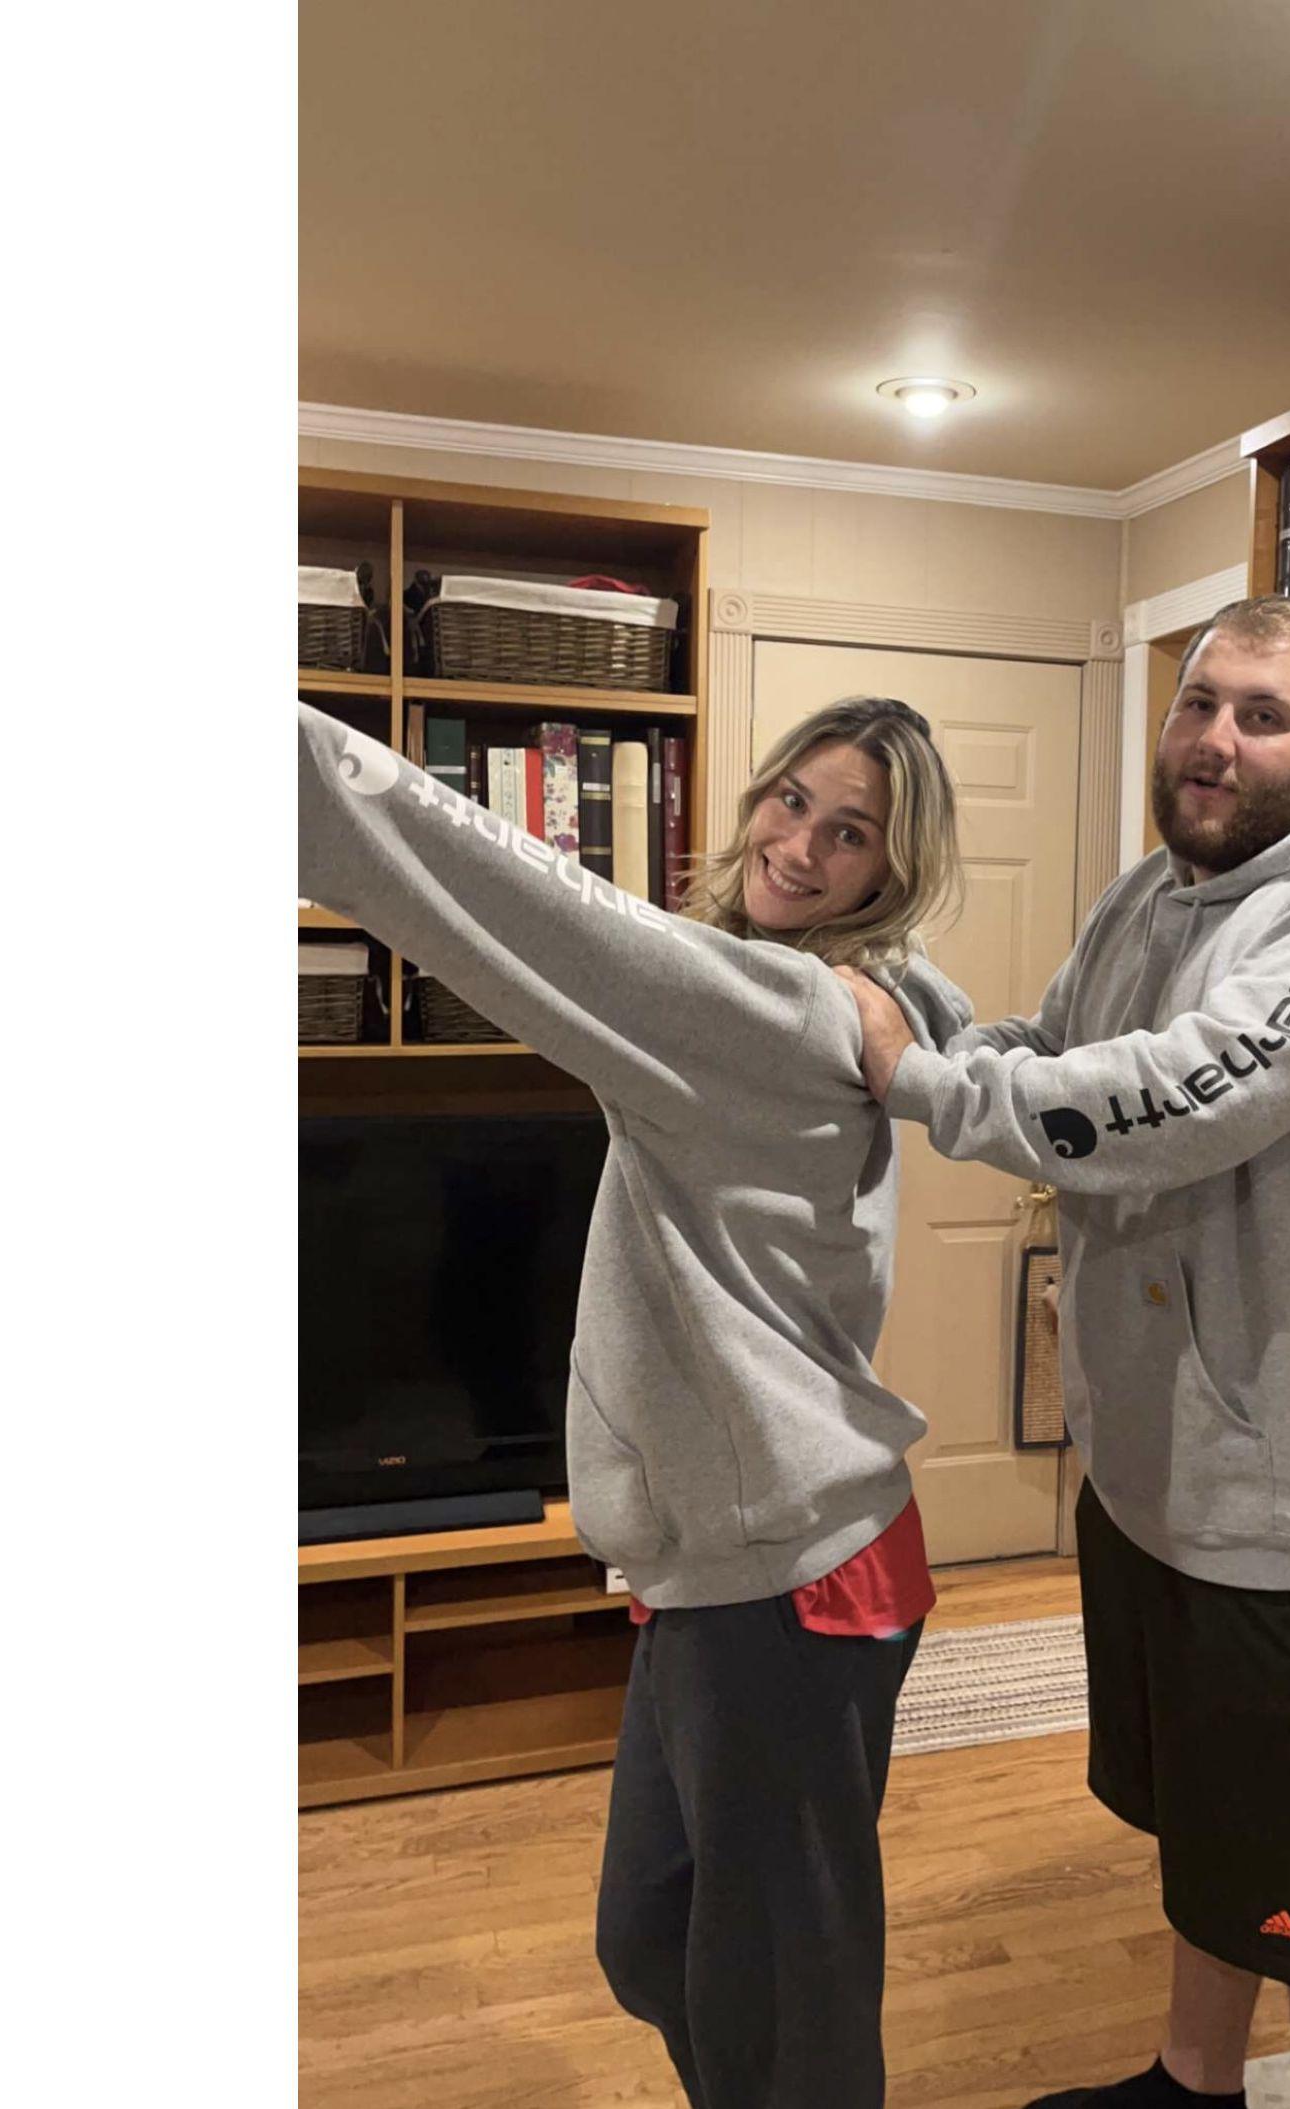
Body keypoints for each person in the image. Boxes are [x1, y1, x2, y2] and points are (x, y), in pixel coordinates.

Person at [837, 597, 1290, 2109]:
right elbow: (1062, 1047)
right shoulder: (1156, 890)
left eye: (1262, 714)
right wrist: (934, 1025)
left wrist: (917, 1079)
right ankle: (1191, 2084)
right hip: (1158, 1475)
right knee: (1213, 1827)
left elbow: (1174, 1098)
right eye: (1199, 702)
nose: (1213, 739)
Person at [296, 691, 971, 2109]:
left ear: (889, 873)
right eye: (792, 799)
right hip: (727, 1551)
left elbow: (504, 895)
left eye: (850, 835)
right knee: (657, 1937)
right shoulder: (831, 988)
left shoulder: (766, 1010)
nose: (799, 845)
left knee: (784, 2005)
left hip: (788, 1571)